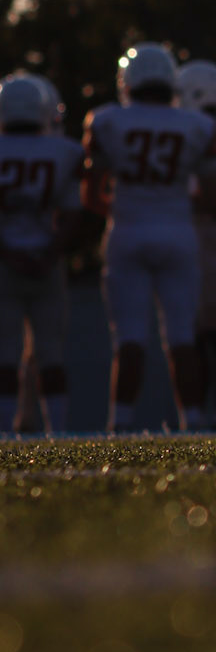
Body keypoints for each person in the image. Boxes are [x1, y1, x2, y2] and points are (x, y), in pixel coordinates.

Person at [85, 43, 216, 432]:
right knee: (182, 336)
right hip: (177, 230)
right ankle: (193, 420)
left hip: (128, 230)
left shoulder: (107, 120)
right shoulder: (197, 125)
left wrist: (128, 211)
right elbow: (213, 196)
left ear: (128, 81)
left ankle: (121, 422)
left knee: (129, 338)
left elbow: (90, 194)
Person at [0, 74, 83, 435]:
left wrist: (9, 253)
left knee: (5, 355)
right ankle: (57, 432)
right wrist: (50, 254)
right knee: (51, 354)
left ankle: (4, 435)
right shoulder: (65, 151)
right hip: (46, 260)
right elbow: (73, 213)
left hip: (5, 263)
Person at [176, 61, 216, 430]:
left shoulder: (215, 131)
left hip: (207, 230)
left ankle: (205, 416)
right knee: (209, 332)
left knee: (207, 333)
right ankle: (211, 415)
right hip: (210, 232)